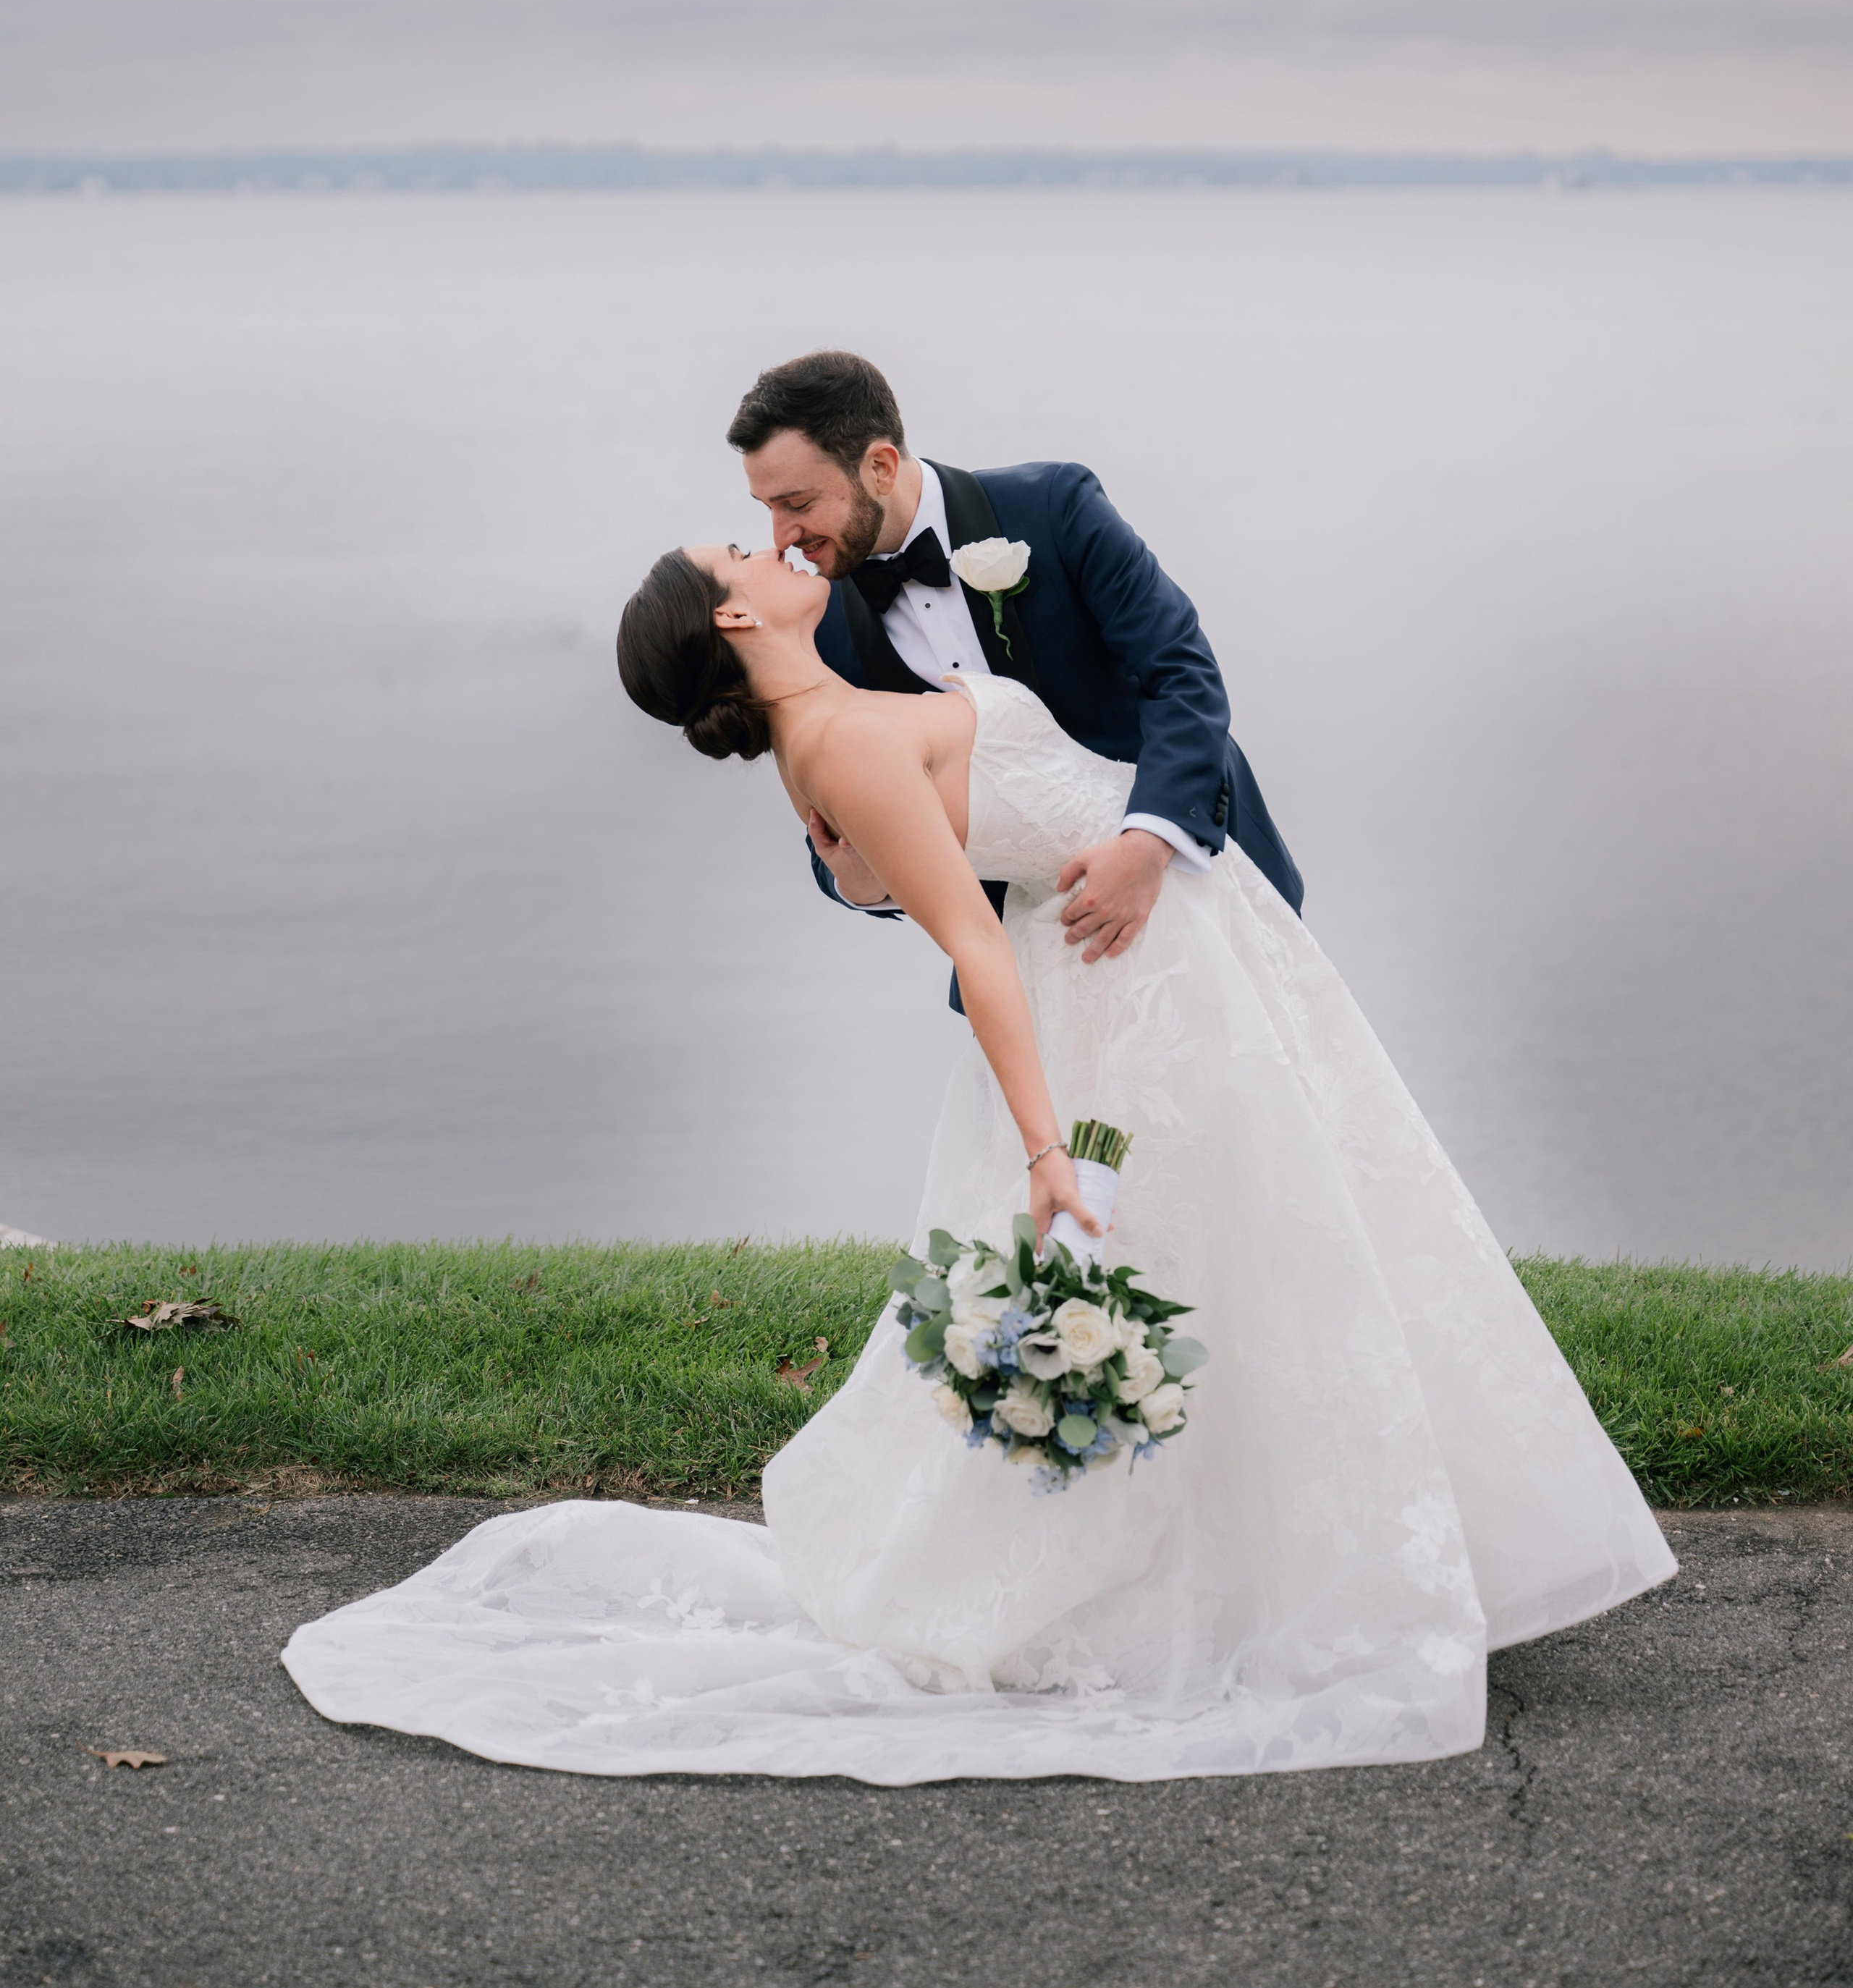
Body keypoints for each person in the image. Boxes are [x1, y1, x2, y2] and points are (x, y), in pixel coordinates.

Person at [282, 487, 1676, 1785]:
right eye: (743, 552)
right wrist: (1047, 1152)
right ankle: (1229, 1581)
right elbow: (976, 945)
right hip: (1128, 982)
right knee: (1238, 1258)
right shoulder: (838, 743)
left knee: (1284, 1248)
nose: (774, 546)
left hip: (1172, 946)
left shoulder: (826, 722)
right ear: (734, 614)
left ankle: (1299, 1551)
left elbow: (892, 858)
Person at [724, 351, 1301, 974]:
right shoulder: (821, 628)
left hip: (1207, 880)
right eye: (767, 507)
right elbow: (834, 828)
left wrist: (1149, 843)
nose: (781, 536)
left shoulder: (1055, 506)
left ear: (881, 467)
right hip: (1041, 958)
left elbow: (1181, 670)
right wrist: (861, 881)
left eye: (798, 502)